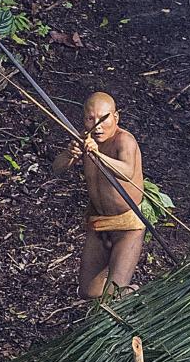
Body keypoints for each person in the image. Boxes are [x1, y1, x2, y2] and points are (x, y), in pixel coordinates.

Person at [52, 92, 146, 300]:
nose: (98, 125)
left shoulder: (124, 141)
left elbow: (126, 172)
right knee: (89, 292)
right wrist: (69, 155)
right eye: (90, 119)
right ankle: (129, 294)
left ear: (116, 117)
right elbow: (56, 169)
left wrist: (98, 155)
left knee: (112, 296)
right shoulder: (85, 139)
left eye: (104, 118)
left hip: (127, 226)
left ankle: (126, 297)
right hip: (99, 223)